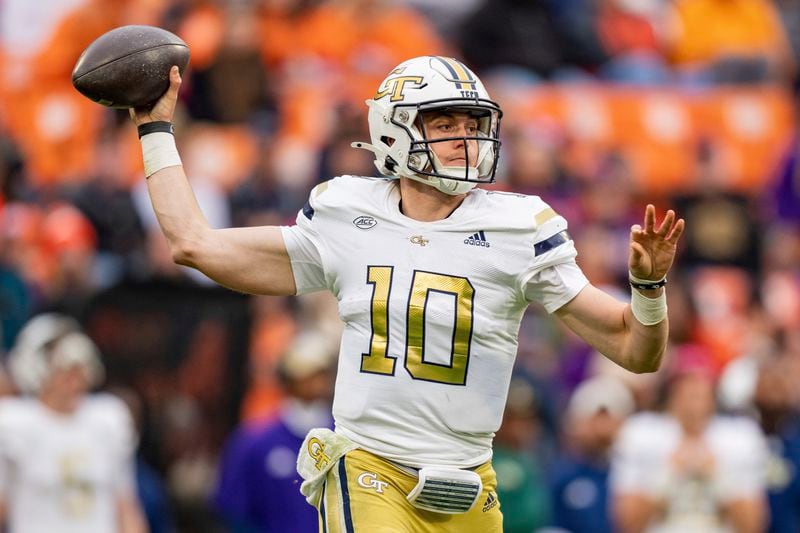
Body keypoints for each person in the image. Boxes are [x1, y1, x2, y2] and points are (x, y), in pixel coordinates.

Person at [130, 55, 684, 532]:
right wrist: (156, 131)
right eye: (446, 124)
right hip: (371, 467)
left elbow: (637, 351)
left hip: (469, 478)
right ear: (393, 131)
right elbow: (193, 244)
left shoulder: (518, 227)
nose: (467, 138)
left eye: (474, 123)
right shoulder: (348, 213)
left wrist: (648, 287)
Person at [0, 313, 147, 533]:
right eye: (64, 370)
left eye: (78, 370)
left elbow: (125, 504)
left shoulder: (108, 418)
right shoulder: (13, 423)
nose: (73, 380)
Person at [610, 349, 769, 533]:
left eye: (701, 384)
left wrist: (719, 475)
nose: (694, 393)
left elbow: (753, 526)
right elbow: (627, 524)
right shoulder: (640, 432)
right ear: (671, 390)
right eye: (686, 384)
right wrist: (667, 474)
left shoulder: (741, 435)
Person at [213, 329, 336, 532]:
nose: (316, 384)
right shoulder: (254, 441)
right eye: (307, 375)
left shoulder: (346, 442)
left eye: (321, 374)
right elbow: (235, 512)